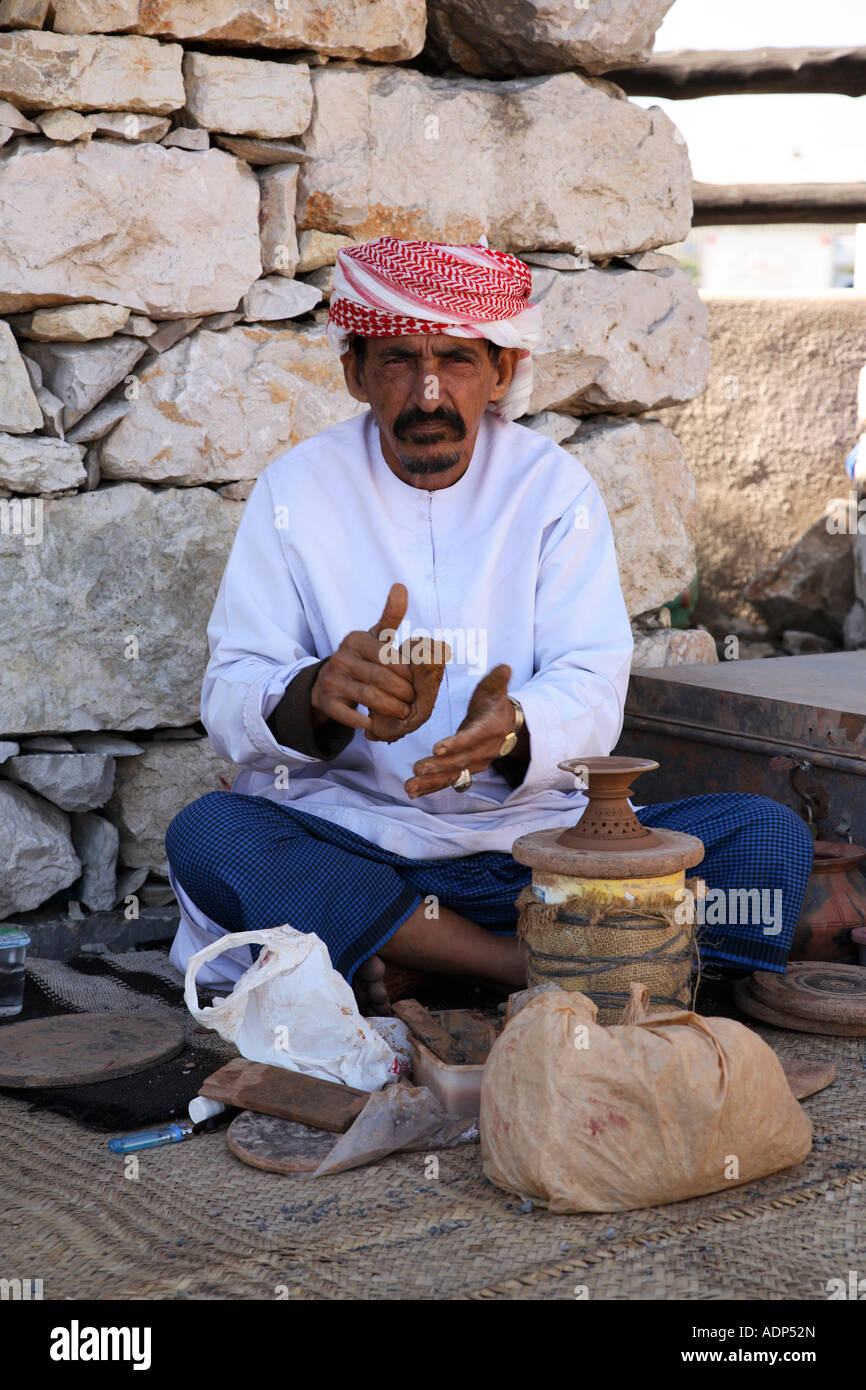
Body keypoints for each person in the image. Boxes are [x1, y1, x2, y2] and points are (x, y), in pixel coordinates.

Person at [165, 236, 813, 1010]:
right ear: (355, 373)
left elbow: (591, 681)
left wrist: (512, 734)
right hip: (357, 841)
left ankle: (417, 963)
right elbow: (232, 690)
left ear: (501, 371)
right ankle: (537, 969)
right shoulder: (295, 490)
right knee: (214, 834)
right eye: (399, 360)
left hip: (531, 849)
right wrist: (316, 695)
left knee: (766, 836)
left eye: (457, 361)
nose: (429, 394)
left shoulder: (551, 489)